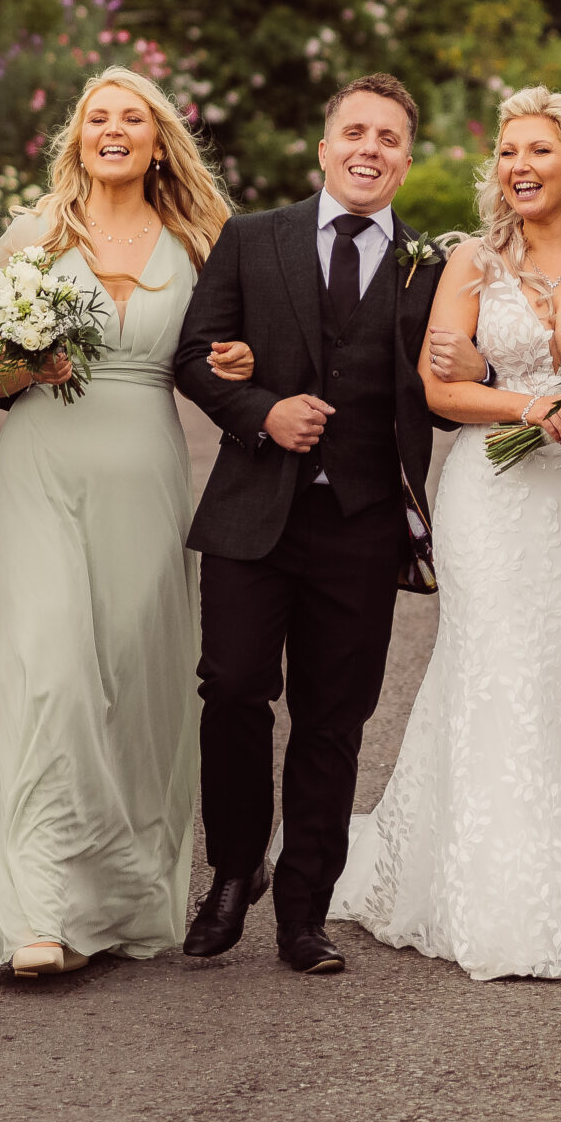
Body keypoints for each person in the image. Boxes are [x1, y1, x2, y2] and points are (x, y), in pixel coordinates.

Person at [331, 87, 561, 979]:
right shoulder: (470, 261)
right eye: (506, 152)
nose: (519, 167)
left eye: (537, 150)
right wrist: (526, 399)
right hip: (492, 500)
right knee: (499, 675)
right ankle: (508, 899)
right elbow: (440, 390)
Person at [0, 67, 236, 979]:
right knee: (50, 674)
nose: (112, 129)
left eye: (133, 118)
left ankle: (111, 902)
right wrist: (11, 364)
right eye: (96, 118)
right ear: (76, 137)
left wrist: (237, 356)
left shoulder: (202, 239)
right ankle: (38, 910)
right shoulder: (36, 232)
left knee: (130, 680)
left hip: (146, 478)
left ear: (161, 141)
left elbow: (230, 350)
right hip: (40, 469)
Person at [174, 73, 449, 975]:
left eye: (389, 138)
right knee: (236, 691)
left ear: (407, 160)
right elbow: (193, 354)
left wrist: (463, 360)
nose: (370, 149)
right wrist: (259, 410)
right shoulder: (254, 238)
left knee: (335, 719)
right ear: (324, 147)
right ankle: (230, 870)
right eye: (355, 132)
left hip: (364, 525)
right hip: (256, 514)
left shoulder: (430, 267)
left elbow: (440, 398)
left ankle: (305, 909)